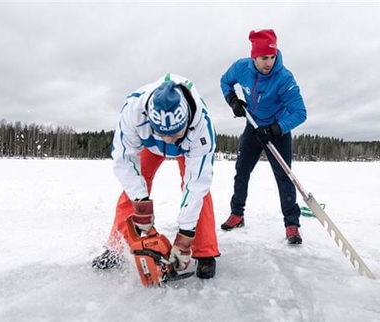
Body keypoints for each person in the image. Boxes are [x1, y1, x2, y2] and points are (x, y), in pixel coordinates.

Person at [92, 73, 220, 279]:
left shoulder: (202, 127)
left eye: (174, 134)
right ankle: (117, 248)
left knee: (200, 193)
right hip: (150, 146)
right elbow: (124, 160)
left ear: (186, 120)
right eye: (163, 133)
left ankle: (205, 252)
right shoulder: (133, 111)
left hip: (186, 149)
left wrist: (185, 236)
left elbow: (196, 184)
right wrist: (141, 202)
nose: (169, 140)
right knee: (133, 188)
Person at [219, 29, 307, 244]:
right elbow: (224, 81)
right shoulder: (241, 68)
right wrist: (232, 100)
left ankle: (291, 225)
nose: (269, 62)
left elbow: (300, 113)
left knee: (284, 177)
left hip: (278, 130)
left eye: (272, 57)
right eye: (263, 58)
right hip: (253, 126)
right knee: (241, 170)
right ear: (254, 57)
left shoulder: (284, 78)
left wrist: (275, 129)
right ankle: (237, 213)